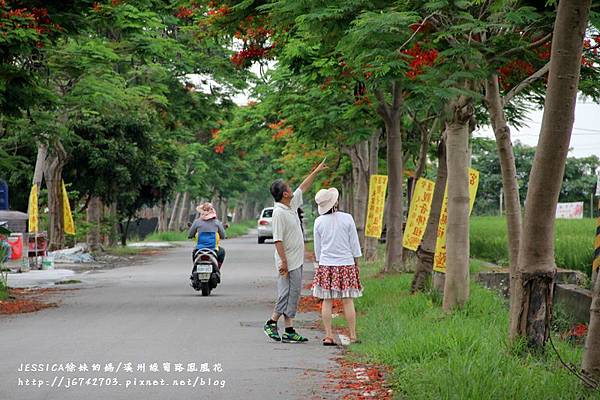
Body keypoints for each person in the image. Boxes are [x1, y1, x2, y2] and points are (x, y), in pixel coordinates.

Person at [263, 159, 327, 343]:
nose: (293, 190)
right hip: (287, 260)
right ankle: (271, 322)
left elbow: (303, 187)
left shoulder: (290, 205)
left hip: (296, 259)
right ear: (284, 194)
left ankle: (289, 329)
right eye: (289, 188)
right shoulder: (279, 213)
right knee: (286, 293)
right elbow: (277, 240)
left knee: (293, 292)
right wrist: (283, 261)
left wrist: (316, 170)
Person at [312, 187, 363, 346]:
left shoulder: (318, 222)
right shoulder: (347, 218)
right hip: (346, 263)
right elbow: (354, 243)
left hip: (326, 265)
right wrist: (356, 263)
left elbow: (317, 248)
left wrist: (320, 263)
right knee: (347, 300)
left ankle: (328, 336)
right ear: (335, 202)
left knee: (327, 301)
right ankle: (353, 335)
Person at [188, 203, 226, 281]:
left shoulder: (197, 222)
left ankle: (194, 271)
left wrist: (191, 236)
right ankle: (217, 269)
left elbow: (190, 234)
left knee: (194, 253)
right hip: (213, 249)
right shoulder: (216, 222)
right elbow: (223, 235)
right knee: (222, 252)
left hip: (199, 249)